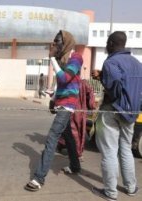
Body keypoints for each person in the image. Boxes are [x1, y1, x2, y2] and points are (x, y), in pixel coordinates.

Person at [24, 30, 83, 191]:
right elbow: (61, 84)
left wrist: (51, 59)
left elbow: (65, 78)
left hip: (68, 105)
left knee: (52, 138)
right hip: (61, 103)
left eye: (57, 42)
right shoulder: (61, 59)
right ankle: (75, 166)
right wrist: (53, 98)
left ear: (66, 42)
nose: (54, 45)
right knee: (68, 136)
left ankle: (38, 178)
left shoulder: (76, 58)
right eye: (54, 42)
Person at [91, 31, 141, 200]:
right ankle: (131, 188)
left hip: (112, 110)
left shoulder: (110, 62)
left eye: (107, 42)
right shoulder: (137, 63)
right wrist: (102, 78)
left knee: (110, 151)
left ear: (111, 43)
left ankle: (111, 192)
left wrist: (104, 79)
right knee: (126, 149)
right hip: (131, 112)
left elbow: (115, 86)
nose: (106, 45)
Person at [57, 79, 96, 161]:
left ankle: (75, 154)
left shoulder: (68, 81)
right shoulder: (84, 83)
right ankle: (78, 153)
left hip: (71, 111)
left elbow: (60, 95)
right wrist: (91, 106)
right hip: (81, 112)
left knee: (72, 132)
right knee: (80, 132)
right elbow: (91, 97)